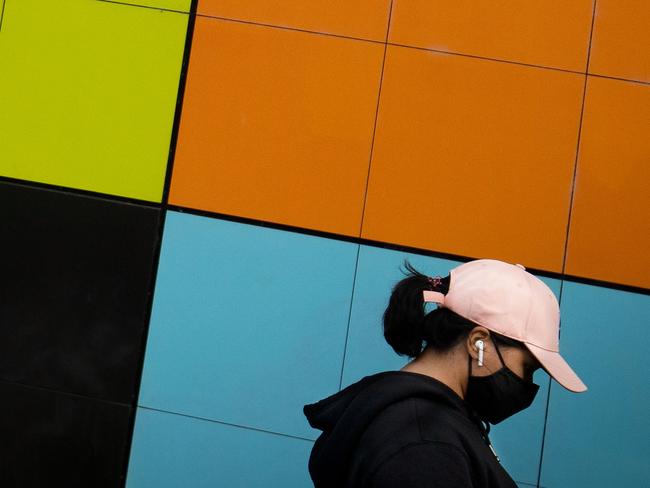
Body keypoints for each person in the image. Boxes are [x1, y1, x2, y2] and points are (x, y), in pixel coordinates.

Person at [303, 259, 586, 487]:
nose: (528, 384)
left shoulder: (423, 422)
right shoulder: (424, 444)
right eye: (528, 368)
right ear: (478, 343)